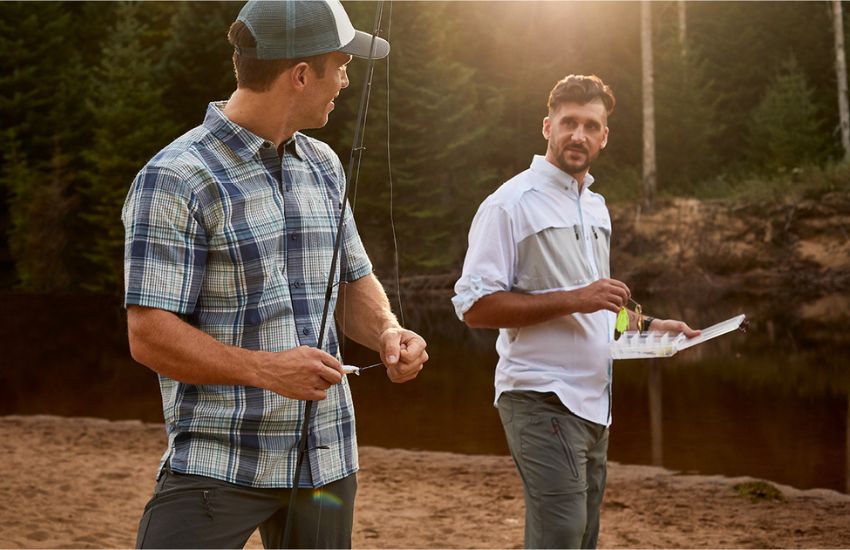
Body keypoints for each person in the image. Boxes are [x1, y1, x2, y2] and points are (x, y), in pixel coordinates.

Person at [122, 1, 428, 547]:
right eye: (341, 64)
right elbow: (148, 336)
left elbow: (354, 282)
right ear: (301, 75)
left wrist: (386, 331)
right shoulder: (174, 178)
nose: (346, 79)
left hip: (327, 461)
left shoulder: (324, 165)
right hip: (217, 464)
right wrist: (266, 370)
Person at [451, 74, 698, 549]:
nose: (578, 135)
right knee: (560, 534)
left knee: (582, 536)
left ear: (604, 136)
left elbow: (600, 308)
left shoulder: (597, 207)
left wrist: (650, 326)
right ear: (547, 127)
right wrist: (577, 298)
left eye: (590, 125)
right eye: (569, 123)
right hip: (539, 396)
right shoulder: (509, 204)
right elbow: (474, 308)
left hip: (594, 406)